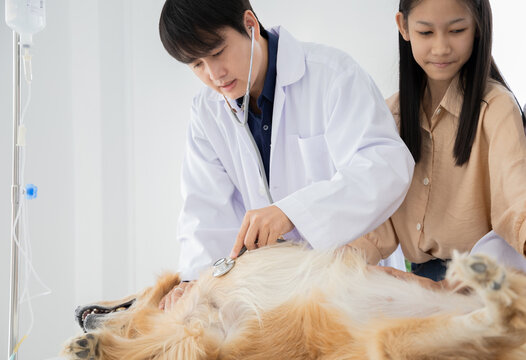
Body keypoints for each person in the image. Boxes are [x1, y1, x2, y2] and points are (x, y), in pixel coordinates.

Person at [157, 0, 415, 309]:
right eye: (197, 65)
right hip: (275, 294)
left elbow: (384, 168)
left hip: (355, 279)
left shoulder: (332, 75)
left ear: (250, 25)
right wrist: (194, 280)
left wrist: (292, 212)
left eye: (217, 52)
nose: (214, 74)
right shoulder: (206, 112)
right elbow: (206, 209)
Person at [351, 0, 526, 284]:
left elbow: (516, 198)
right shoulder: (390, 115)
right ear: (403, 27)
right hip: (420, 279)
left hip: (486, 279)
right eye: (426, 33)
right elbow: (377, 224)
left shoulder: (496, 108)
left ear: (478, 27)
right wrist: (334, 268)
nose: (441, 47)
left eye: (457, 31)